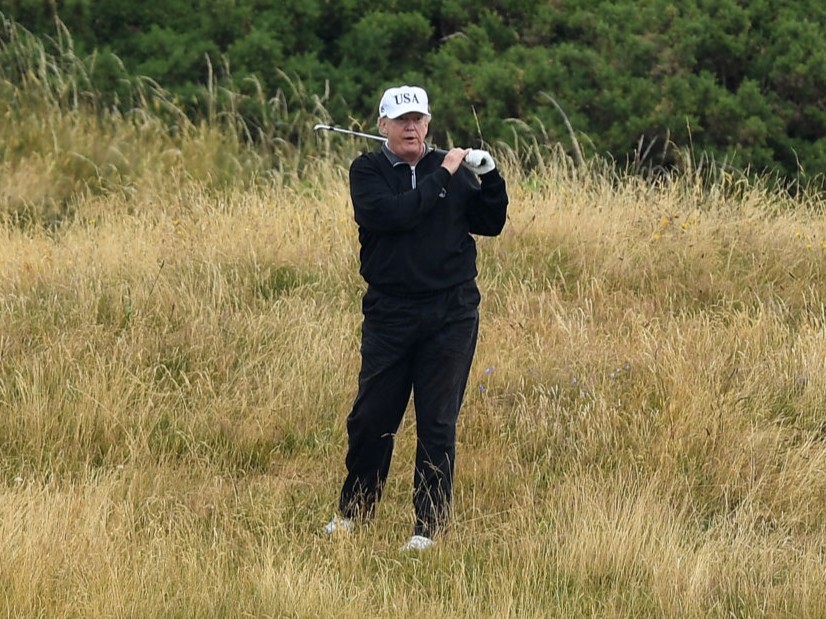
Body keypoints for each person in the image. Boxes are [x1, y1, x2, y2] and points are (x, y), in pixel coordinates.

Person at [324, 85, 509, 550]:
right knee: (372, 416)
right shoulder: (367, 172)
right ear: (383, 125)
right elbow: (396, 216)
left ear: (428, 124)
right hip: (390, 312)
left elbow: (491, 223)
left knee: (437, 422)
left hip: (451, 312)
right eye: (402, 120)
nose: (411, 127)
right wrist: (444, 174)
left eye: (419, 119)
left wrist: (491, 177)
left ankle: (427, 528)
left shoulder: (453, 168)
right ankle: (355, 513)